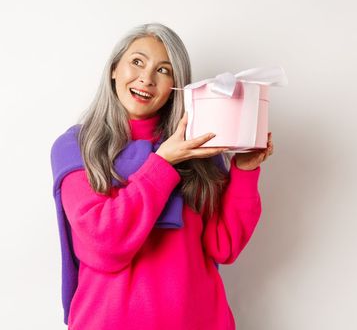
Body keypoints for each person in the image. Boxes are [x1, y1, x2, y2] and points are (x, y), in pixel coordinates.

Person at [49, 22, 273, 329]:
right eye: (137, 62)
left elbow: (224, 246)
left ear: (176, 86)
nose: (147, 78)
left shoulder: (198, 147)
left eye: (164, 70)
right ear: (114, 69)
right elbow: (104, 244)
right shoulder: (76, 146)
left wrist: (245, 170)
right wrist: (163, 162)